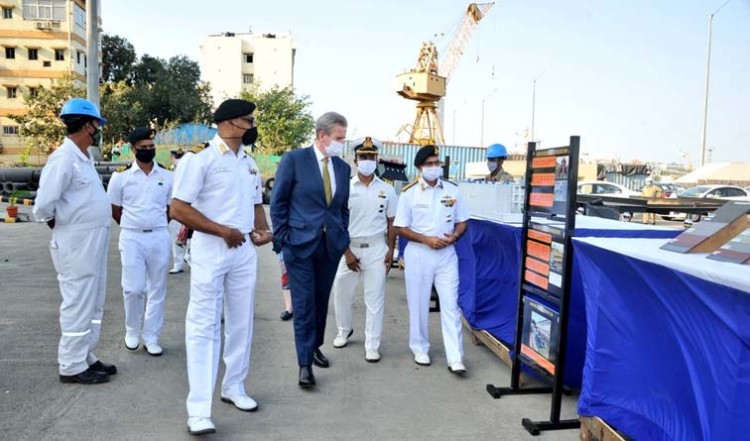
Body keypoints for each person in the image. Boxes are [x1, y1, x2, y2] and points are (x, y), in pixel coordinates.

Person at [170, 99, 272, 436]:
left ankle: (234, 386)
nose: (251, 125)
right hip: (212, 248)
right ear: (228, 123)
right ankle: (198, 410)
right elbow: (178, 209)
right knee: (204, 324)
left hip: (243, 249)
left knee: (241, 321)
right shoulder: (199, 160)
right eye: (247, 119)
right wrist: (220, 230)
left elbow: (256, 203)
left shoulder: (249, 163)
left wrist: (262, 228)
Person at [33, 98, 115, 384]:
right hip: (75, 242)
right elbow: (43, 205)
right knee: (78, 301)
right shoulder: (64, 158)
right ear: (85, 124)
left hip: (92, 239)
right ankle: (70, 365)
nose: (98, 129)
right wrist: (54, 221)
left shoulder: (85, 157)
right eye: (96, 124)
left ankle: (85, 355)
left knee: (93, 301)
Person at [271, 111, 351, 389]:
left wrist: (343, 235)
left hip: (330, 247)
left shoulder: (342, 168)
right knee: (304, 305)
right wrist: (283, 238)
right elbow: (278, 202)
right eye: (339, 138)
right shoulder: (294, 160)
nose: (343, 142)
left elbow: (341, 207)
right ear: (322, 136)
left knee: (320, 300)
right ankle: (304, 364)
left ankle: (315, 345)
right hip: (299, 245)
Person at [394, 145, 469, 375]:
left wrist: (455, 236)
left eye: (437, 163)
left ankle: (455, 356)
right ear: (420, 167)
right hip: (419, 254)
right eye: (429, 164)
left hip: (446, 255)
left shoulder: (453, 191)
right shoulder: (410, 193)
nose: (434, 167)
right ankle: (420, 348)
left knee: (451, 305)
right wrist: (426, 240)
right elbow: (400, 227)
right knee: (418, 304)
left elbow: (463, 220)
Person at [107, 127, 173, 356]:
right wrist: (133, 225)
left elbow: (170, 209)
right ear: (133, 149)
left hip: (158, 235)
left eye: (151, 147)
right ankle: (132, 330)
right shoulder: (121, 177)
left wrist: (155, 225)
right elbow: (115, 210)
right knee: (133, 289)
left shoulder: (167, 176)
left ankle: (152, 336)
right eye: (143, 148)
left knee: (157, 288)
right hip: (132, 236)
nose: (148, 151)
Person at [331, 137, 397, 362]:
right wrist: (346, 252)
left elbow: (392, 223)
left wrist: (391, 251)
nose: (367, 160)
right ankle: (343, 330)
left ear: (377, 159)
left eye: (371, 157)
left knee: (375, 298)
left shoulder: (387, 190)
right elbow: (337, 223)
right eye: (363, 157)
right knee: (342, 293)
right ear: (355, 159)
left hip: (377, 248)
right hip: (349, 247)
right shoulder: (344, 187)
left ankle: (372, 344)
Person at [168, 148, 189, 274]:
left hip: (188, 208)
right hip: (175, 208)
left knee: (191, 236)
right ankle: (179, 262)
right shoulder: (170, 172)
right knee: (176, 236)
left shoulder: (187, 172)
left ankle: (187, 257)